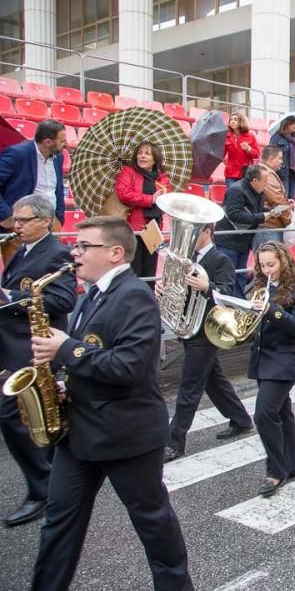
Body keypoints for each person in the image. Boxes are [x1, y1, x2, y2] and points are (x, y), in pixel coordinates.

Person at [29, 216, 192, 590]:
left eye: (85, 246)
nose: (75, 252)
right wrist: (61, 383)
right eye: (76, 245)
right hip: (79, 431)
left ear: (115, 253)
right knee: (58, 525)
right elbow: (93, 357)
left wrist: (66, 349)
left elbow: (130, 368)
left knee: (152, 522)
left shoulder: (133, 295)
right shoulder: (95, 295)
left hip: (126, 435)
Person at [0, 194, 76, 527]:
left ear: (44, 221)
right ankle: (54, 480)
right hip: (12, 345)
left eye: (23, 220)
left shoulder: (56, 253)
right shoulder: (22, 249)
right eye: (15, 220)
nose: (15, 226)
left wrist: (9, 297)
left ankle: (43, 489)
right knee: (33, 422)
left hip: (31, 349)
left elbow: (64, 298)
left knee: (14, 420)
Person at [159, 224, 254, 461]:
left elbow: (228, 293)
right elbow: (177, 291)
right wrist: (164, 289)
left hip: (206, 331)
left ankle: (175, 441)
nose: (189, 238)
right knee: (213, 380)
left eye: (195, 232)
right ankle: (241, 419)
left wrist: (207, 287)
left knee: (190, 387)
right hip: (190, 328)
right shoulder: (187, 259)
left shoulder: (220, 259)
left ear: (207, 232)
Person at [248, 240, 295, 498]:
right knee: (282, 412)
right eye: (262, 265)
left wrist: (272, 311)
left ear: (284, 261)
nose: (267, 269)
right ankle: (293, 464)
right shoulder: (258, 286)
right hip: (263, 357)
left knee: (264, 413)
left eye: (271, 264)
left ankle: (276, 469)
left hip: (284, 359)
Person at [0, 119, 67, 264]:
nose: (65, 144)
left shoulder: (58, 157)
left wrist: (59, 217)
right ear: (48, 142)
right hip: (22, 221)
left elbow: (58, 188)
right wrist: (5, 214)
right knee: (17, 270)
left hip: (51, 220)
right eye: (62, 141)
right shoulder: (17, 154)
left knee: (49, 267)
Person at [216, 165, 281, 295]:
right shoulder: (236, 190)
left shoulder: (258, 192)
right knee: (229, 275)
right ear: (254, 181)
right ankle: (228, 304)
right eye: (264, 181)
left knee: (241, 275)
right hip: (229, 241)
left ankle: (239, 301)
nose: (266, 184)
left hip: (243, 240)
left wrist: (271, 213)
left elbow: (256, 210)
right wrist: (262, 217)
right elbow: (234, 214)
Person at [114, 141, 171, 281]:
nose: (142, 156)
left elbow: (166, 200)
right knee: (134, 268)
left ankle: (147, 300)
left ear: (155, 159)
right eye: (140, 153)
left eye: (147, 153)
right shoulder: (128, 172)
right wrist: (150, 199)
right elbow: (123, 194)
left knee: (150, 270)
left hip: (153, 227)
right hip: (134, 228)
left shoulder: (162, 177)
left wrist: (163, 196)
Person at [256, 145, 293, 247]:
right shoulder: (266, 174)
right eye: (280, 158)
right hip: (269, 227)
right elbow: (277, 201)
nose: (282, 161)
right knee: (271, 260)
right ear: (271, 159)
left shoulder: (262, 171)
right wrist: (288, 220)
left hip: (267, 226)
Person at [269, 116, 295, 201]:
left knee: (292, 200)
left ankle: (290, 214)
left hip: (294, 173)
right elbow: (271, 154)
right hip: (281, 172)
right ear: (286, 124)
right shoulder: (276, 138)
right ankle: (283, 214)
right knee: (283, 199)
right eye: (293, 123)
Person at [223, 113, 259, 188]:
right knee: (233, 194)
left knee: (243, 196)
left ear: (241, 122)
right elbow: (221, 154)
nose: (232, 122)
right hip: (231, 173)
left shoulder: (250, 136)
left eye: (235, 120)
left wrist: (248, 149)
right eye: (231, 120)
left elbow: (257, 154)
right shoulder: (226, 136)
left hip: (245, 172)